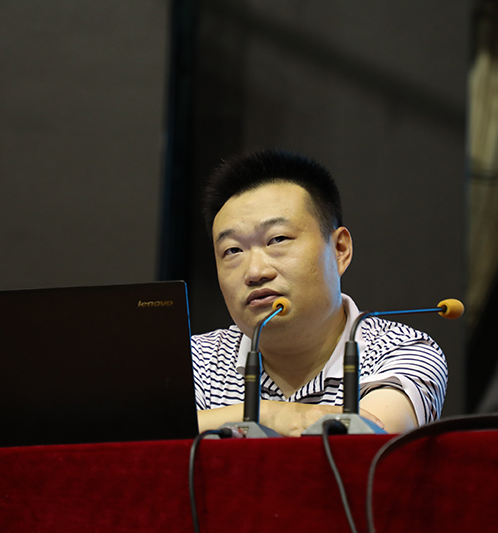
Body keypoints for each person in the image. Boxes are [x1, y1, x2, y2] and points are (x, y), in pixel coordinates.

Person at [192, 149, 447, 436]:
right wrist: (271, 414)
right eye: (232, 250)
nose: (255, 271)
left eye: (277, 239)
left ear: (340, 249)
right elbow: (150, 434)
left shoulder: (399, 349)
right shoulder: (196, 360)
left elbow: (365, 440)